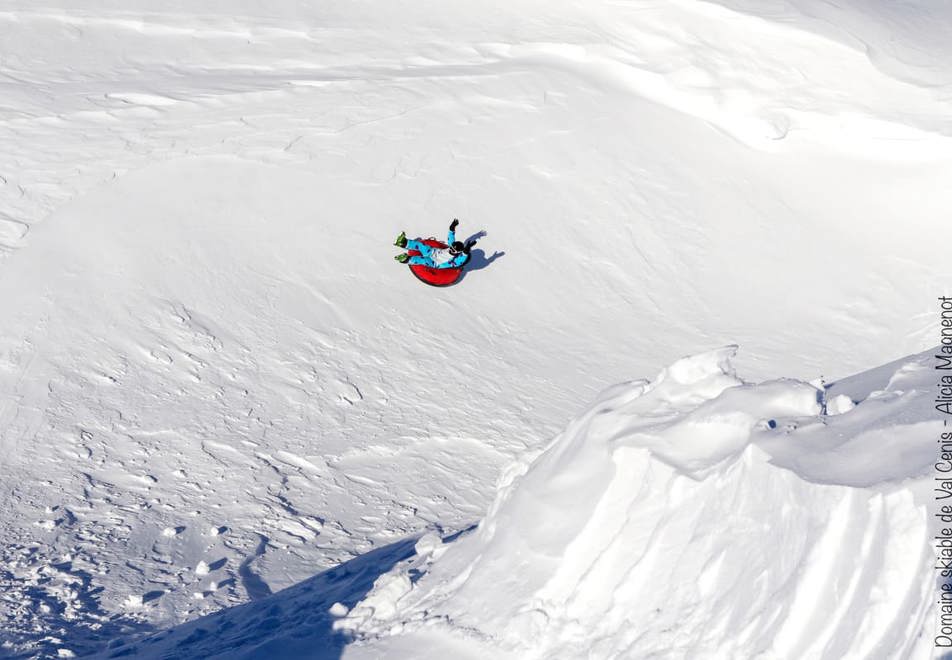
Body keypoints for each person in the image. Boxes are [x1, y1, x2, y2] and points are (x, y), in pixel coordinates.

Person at [394, 219, 477, 269]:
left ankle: (406, 259)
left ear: (458, 252)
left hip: (434, 262)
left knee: (422, 260)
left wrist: (466, 250)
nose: (451, 249)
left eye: (453, 250)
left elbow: (461, 260)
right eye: (451, 247)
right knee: (421, 246)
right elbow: (451, 239)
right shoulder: (451, 246)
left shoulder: (455, 260)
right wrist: (452, 228)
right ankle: (403, 242)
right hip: (433, 252)